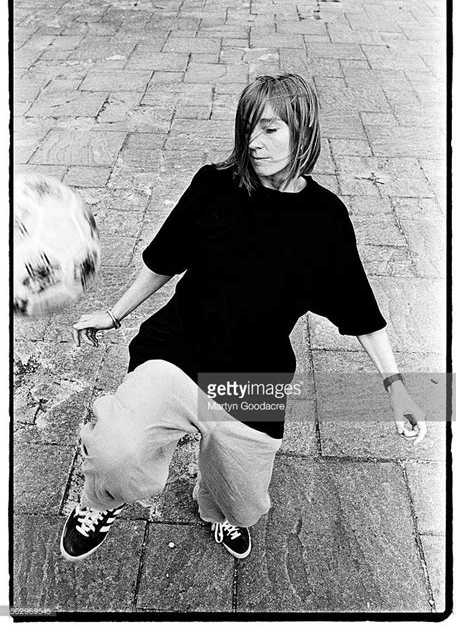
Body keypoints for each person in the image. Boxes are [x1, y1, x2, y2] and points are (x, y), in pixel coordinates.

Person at [60, 73, 426, 563]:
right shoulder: (214, 186)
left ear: (303, 132)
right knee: (115, 454)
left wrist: (396, 387)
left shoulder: (325, 220)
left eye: (271, 129)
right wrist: (113, 312)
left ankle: (217, 510)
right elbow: (165, 258)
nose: (254, 142)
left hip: (252, 375)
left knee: (244, 504)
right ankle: (97, 503)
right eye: (249, 127)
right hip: (177, 351)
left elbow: (361, 312)